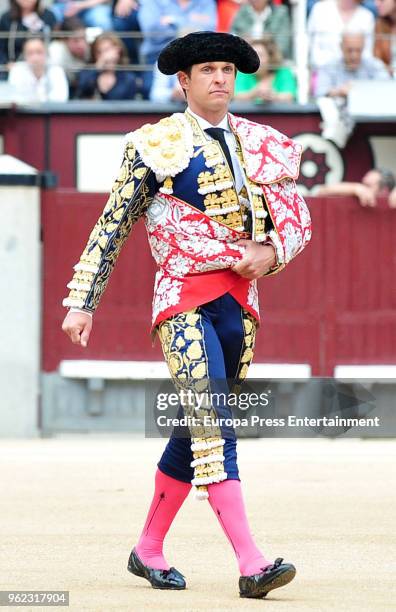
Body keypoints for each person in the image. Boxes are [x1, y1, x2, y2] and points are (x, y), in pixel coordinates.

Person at [61, 31, 311, 599]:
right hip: (182, 299)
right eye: (208, 70)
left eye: (227, 69)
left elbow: (296, 221)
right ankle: (252, 563)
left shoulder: (262, 142)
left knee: (196, 426)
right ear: (184, 81)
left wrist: (272, 252)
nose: (221, 78)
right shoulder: (157, 144)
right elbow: (113, 223)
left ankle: (147, 550)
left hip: (241, 304)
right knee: (215, 425)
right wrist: (83, 301)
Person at [315, 32, 390, 147]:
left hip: (375, 129)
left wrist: (358, 91)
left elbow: (387, 89)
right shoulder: (330, 65)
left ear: (364, 47)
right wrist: (340, 92)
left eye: (358, 50)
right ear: (341, 47)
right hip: (341, 126)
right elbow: (319, 92)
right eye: (350, 50)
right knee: (326, 102)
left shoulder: (374, 65)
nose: (354, 55)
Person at [308, 0, 375, 70]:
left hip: (356, 75)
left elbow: (367, 55)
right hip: (321, 72)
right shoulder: (319, 9)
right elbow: (311, 47)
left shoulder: (367, 16)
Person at [0, 0, 56, 77]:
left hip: (43, 67)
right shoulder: (6, 18)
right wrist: (6, 63)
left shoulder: (48, 16)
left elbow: (54, 43)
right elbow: (1, 48)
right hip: (13, 68)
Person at [234, 36, 297, 102]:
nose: (254, 59)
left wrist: (274, 96)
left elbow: (289, 97)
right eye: (251, 55)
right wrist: (254, 93)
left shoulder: (284, 72)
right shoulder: (243, 72)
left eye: (260, 55)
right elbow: (235, 97)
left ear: (271, 57)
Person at [75, 33, 137, 100]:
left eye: (107, 50)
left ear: (118, 51)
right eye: (99, 52)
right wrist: (98, 67)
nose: (105, 56)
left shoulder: (128, 79)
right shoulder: (87, 73)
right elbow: (81, 89)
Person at [8, 36, 69, 101]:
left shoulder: (56, 70)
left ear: (46, 53)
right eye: (30, 53)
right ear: (24, 56)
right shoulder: (17, 70)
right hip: (25, 111)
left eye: (39, 52)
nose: (35, 58)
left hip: (51, 110)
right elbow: (15, 98)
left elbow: (61, 98)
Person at [48, 17, 90, 97]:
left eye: (84, 38)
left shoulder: (88, 47)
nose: (82, 44)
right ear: (64, 40)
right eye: (76, 40)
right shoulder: (55, 52)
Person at [316, 167, 396, 206]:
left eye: (368, 186)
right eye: (362, 184)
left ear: (384, 191)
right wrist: (354, 188)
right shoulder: (356, 192)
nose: (362, 189)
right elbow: (322, 191)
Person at [374, 0, 396, 75]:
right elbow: (376, 58)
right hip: (386, 78)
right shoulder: (379, 24)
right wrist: (387, 69)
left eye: (382, 0)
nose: (376, 4)